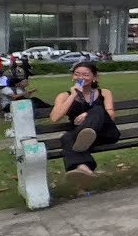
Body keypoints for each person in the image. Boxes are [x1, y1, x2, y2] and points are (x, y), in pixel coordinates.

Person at [48, 62, 118, 193]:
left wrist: (88, 114)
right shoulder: (64, 95)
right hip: (78, 135)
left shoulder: (104, 93)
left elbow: (110, 115)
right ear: (72, 77)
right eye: (77, 74)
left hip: (104, 133)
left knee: (98, 109)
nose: (81, 77)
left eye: (86, 74)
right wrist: (73, 95)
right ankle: (83, 168)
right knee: (67, 138)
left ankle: (87, 133)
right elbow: (54, 117)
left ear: (94, 77)